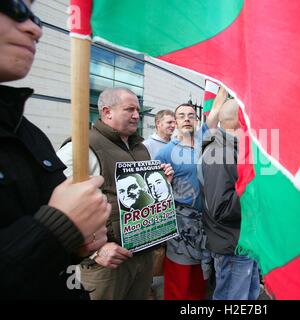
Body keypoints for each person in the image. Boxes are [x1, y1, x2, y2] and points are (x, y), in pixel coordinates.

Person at [0, 0, 110, 299]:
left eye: (34, 12)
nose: (35, 28)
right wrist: (60, 226)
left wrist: (77, 240)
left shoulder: (26, 131)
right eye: (13, 6)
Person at [57, 87, 174, 300]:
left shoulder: (140, 147)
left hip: (141, 257)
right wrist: (94, 250)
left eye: (138, 110)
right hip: (106, 268)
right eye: (129, 109)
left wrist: (162, 183)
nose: (137, 115)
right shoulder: (82, 148)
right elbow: (53, 205)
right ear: (107, 112)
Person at [156, 87, 227, 299]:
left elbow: (216, 109)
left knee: (200, 275)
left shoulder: (204, 139)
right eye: (181, 116)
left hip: (205, 220)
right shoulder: (166, 152)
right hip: (181, 221)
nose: (186, 119)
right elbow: (155, 189)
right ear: (175, 122)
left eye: (190, 115)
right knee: (179, 274)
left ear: (196, 120)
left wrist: (223, 83)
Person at [200, 99, 260, 300]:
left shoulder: (234, 149)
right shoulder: (220, 153)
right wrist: (254, 189)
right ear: (239, 121)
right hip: (232, 247)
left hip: (241, 242)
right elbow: (222, 208)